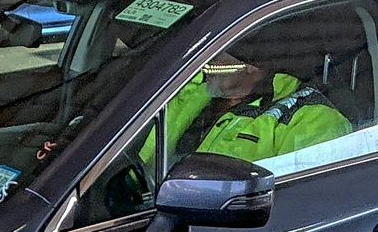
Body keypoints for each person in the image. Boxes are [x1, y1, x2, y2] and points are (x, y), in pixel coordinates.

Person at [142, 56, 352, 167]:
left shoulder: (313, 118)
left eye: (220, 51)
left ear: (253, 65)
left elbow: (293, 206)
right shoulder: (193, 90)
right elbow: (138, 149)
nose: (208, 61)